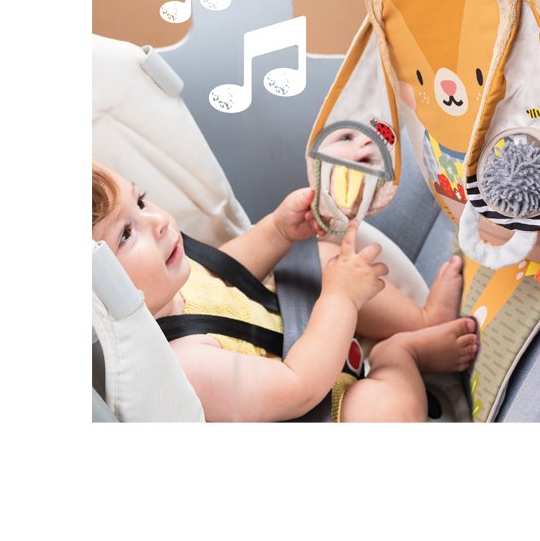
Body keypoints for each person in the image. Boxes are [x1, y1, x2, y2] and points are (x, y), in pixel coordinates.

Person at [92, 159, 478, 422]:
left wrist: (278, 230)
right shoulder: (184, 367)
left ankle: (422, 319)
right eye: (126, 234)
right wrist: (341, 298)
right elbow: (299, 387)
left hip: (302, 331)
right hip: (320, 408)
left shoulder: (169, 279)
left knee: (324, 259)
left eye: (140, 201)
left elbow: (229, 272)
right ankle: (401, 354)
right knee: (382, 415)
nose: (157, 221)